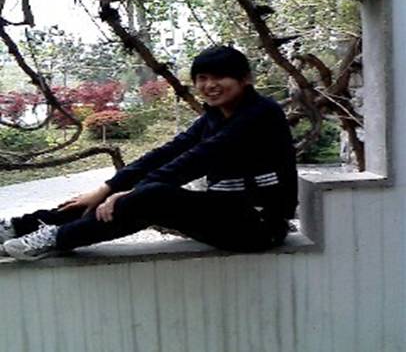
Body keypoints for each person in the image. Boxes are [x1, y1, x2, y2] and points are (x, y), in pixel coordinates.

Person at [0, 46, 298, 261]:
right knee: (113, 197)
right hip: (227, 214)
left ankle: (57, 239)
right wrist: (107, 188)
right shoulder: (214, 116)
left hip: (259, 226)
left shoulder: (262, 114)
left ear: (245, 79)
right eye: (202, 78)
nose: (209, 85)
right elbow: (167, 153)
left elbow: (197, 159)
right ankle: (21, 227)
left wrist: (131, 193)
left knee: (151, 197)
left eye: (220, 77)